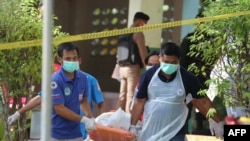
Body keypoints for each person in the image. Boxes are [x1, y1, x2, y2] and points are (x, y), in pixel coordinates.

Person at [129, 42, 224, 141]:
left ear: (179, 61)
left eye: (173, 63)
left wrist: (218, 122)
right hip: (151, 129)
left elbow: (203, 101)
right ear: (160, 58)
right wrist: (133, 126)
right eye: (166, 61)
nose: (169, 65)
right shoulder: (148, 76)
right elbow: (139, 101)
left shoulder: (187, 78)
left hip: (176, 129)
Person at [7, 65, 106, 140]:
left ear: (79, 61)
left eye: (74, 59)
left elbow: (96, 102)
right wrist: (18, 113)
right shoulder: (58, 80)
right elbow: (40, 98)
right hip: (57, 132)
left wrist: (96, 123)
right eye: (68, 59)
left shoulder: (89, 80)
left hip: (81, 132)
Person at [118, 12, 150, 113]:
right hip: (132, 68)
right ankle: (129, 119)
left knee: (122, 95)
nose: (144, 26)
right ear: (139, 21)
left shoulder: (124, 33)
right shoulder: (138, 33)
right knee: (131, 95)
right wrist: (147, 68)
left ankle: (119, 116)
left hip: (122, 68)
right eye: (144, 23)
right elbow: (143, 53)